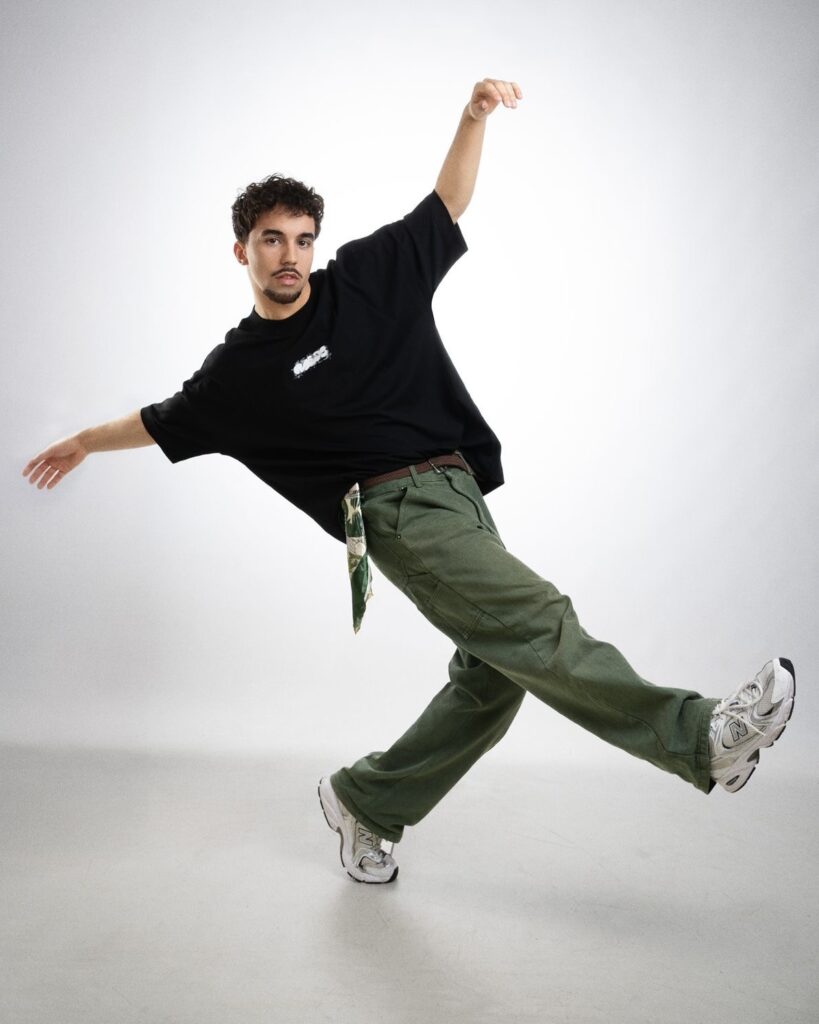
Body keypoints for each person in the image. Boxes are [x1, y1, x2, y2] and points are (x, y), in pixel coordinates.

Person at [23, 78, 796, 886]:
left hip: (459, 492)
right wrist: (84, 441)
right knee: (537, 622)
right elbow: (160, 420)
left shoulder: (368, 278)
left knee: (493, 679)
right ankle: (700, 737)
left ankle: (367, 800)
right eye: (270, 240)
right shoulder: (237, 373)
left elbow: (446, 203)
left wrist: (472, 117)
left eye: (301, 239)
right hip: (396, 512)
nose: (289, 255)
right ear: (241, 251)